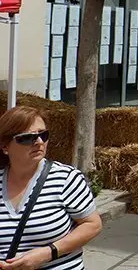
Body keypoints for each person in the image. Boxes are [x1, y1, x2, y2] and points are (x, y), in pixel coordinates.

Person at [0, 106, 102, 269]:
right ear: (5, 146)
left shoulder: (66, 178)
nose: (39, 142)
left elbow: (92, 224)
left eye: (43, 135)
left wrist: (49, 253)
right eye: (27, 138)